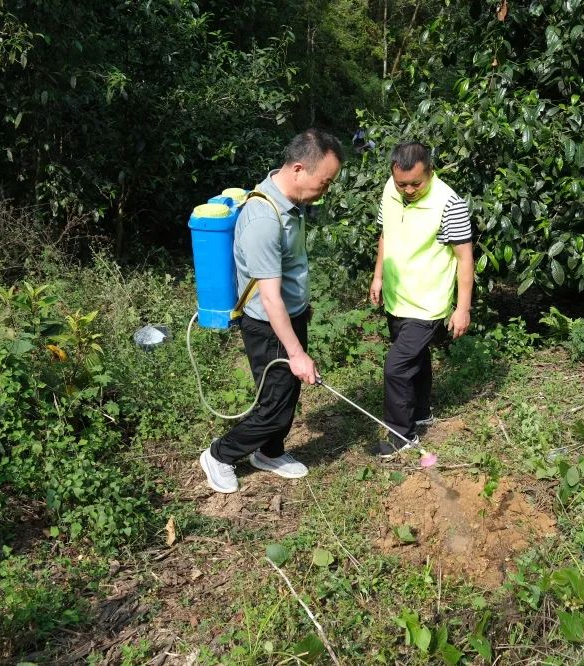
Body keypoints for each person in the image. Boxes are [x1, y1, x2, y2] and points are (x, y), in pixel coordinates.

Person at [199, 129, 343, 493]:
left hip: (290, 316)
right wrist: (296, 353)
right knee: (274, 405)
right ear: (298, 169)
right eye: (324, 182)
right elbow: (271, 298)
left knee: (288, 393)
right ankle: (220, 455)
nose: (325, 190)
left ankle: (269, 452)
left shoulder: (289, 205)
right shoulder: (264, 219)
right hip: (268, 326)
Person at [369, 141, 474, 457]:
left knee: (396, 367)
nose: (409, 189)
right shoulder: (391, 189)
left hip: (427, 303)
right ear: (392, 173)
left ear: (430, 172)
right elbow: (385, 234)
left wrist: (463, 308)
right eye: (403, 183)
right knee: (415, 358)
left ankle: (402, 436)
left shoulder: (449, 204)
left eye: (417, 183)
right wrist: (378, 276)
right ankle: (421, 410)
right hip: (397, 296)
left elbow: (464, 258)